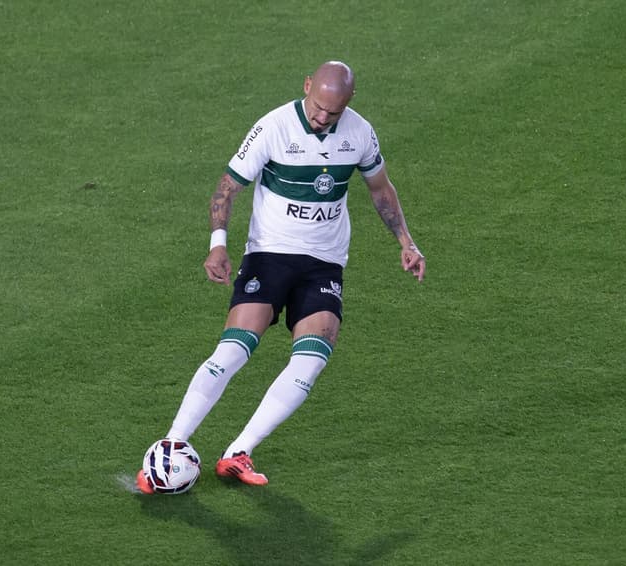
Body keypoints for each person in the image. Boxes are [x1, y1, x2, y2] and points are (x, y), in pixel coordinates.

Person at [137, 61, 425, 492]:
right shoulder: (273, 127)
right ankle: (172, 443)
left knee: (312, 358)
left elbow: (380, 189)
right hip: (270, 254)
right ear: (307, 86)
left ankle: (238, 452)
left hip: (324, 262)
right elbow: (227, 188)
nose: (323, 118)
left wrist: (406, 240)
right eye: (318, 107)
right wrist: (218, 243)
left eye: (334, 111)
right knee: (234, 349)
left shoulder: (360, 133)